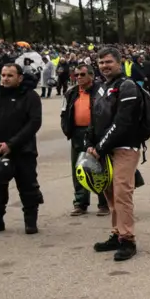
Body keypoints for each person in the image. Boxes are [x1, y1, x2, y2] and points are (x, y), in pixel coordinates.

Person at [88, 46, 144, 262]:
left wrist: (100, 146)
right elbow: (97, 118)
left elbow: (123, 122)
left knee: (122, 193)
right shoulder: (102, 87)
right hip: (105, 148)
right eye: (101, 63)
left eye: (108, 62)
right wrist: (91, 141)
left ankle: (128, 239)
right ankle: (117, 233)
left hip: (125, 147)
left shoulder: (127, 86)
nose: (104, 66)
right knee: (110, 192)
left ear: (119, 63)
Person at [0, 63, 43, 236]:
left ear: (20, 78)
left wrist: (11, 144)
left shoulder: (30, 97)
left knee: (28, 187)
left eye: (10, 76)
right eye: (3, 75)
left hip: (23, 151)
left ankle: (30, 221)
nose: (5, 79)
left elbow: (34, 123)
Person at [61, 64, 109, 216]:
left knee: (98, 168)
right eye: (76, 75)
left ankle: (104, 202)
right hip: (77, 134)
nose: (79, 78)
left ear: (91, 75)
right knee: (78, 169)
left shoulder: (101, 91)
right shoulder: (71, 93)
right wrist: (67, 129)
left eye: (82, 74)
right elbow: (64, 112)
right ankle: (80, 203)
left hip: (96, 134)